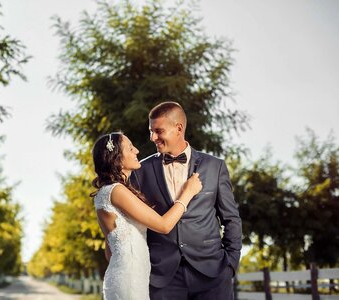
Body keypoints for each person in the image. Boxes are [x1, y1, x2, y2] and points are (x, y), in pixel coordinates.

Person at [130, 101, 242, 299]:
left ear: (178, 128)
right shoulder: (141, 171)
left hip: (212, 274)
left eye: (158, 131)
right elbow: (135, 226)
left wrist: (230, 264)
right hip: (163, 278)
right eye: (151, 131)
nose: (152, 137)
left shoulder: (214, 167)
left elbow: (231, 218)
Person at [91, 132, 203, 300]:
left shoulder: (107, 192)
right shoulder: (116, 191)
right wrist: (188, 192)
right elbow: (164, 225)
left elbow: (110, 251)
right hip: (130, 279)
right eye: (130, 148)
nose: (136, 151)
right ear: (116, 158)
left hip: (129, 276)